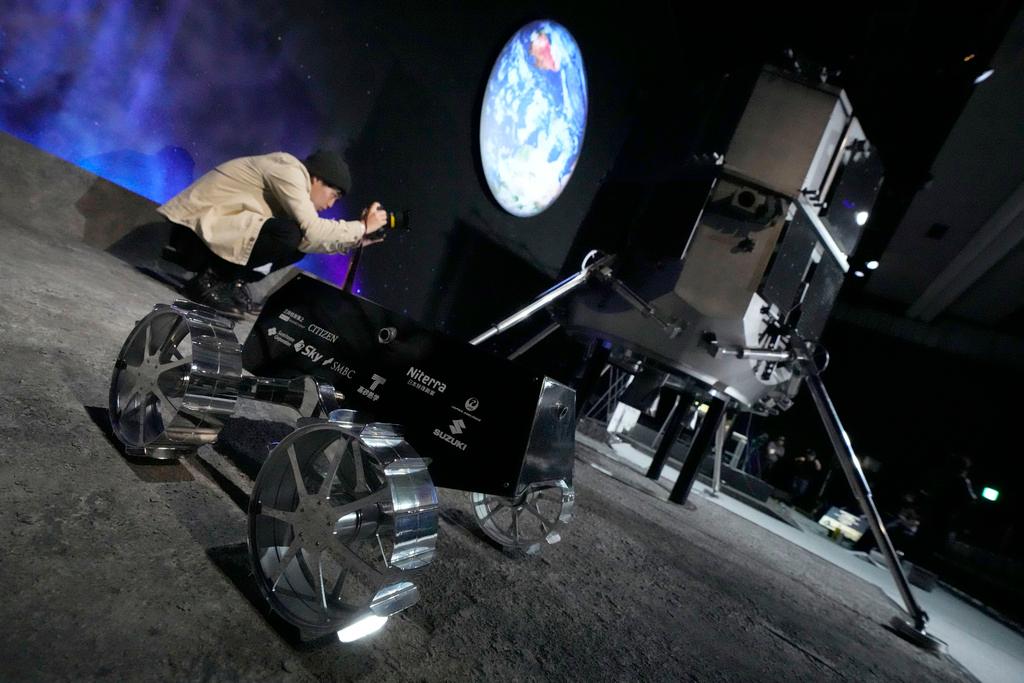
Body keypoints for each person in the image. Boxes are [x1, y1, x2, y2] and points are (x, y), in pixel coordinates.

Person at [158, 149, 387, 317]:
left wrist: (358, 238)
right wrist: (362, 226)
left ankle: (231, 282)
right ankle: (209, 280)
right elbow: (314, 230)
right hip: (192, 234)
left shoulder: (294, 184)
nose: (330, 204)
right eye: (334, 194)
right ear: (317, 178)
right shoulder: (288, 169)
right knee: (291, 236)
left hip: (213, 237)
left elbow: (312, 239)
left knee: (301, 243)